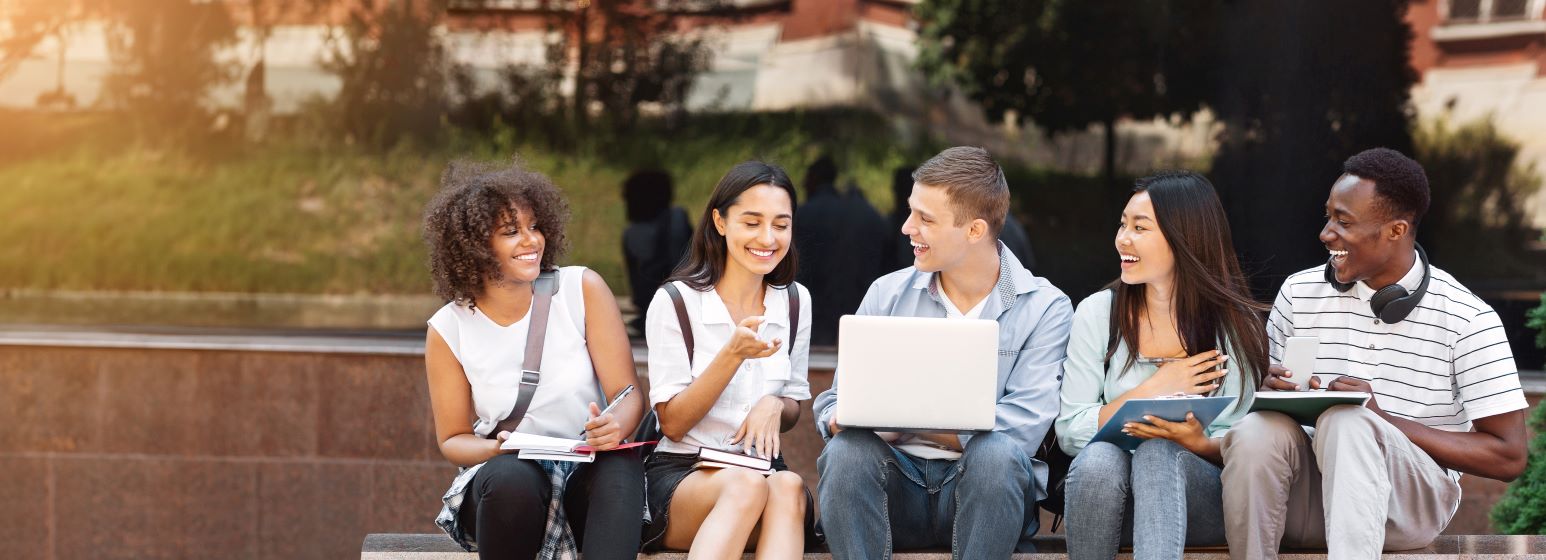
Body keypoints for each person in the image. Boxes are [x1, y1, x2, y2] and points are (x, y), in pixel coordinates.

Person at [1221, 148, 1528, 559]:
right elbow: (1265, 416)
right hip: (1307, 501)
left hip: (1407, 509)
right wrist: (1273, 391)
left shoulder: (1467, 317)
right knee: (1256, 431)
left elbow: (1508, 457)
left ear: (1396, 230)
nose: (1326, 233)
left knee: (1350, 422)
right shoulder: (1298, 293)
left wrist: (1382, 421)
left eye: (1343, 221)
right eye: (1328, 216)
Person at [813, 146, 1073, 559]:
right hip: (893, 488)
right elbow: (835, 399)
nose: (905, 228)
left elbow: (1022, 430)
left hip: (983, 496)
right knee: (846, 452)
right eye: (911, 211)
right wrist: (836, 417)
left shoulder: (1044, 307)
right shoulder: (886, 293)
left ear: (974, 230)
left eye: (925, 219)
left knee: (997, 456)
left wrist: (909, 425)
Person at [421, 160, 647, 559]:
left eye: (535, 226)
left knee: (621, 464)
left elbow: (628, 393)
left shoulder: (581, 289)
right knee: (512, 479)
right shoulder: (447, 328)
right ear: (473, 246)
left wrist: (614, 426)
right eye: (511, 232)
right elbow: (453, 439)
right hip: (507, 482)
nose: (531, 241)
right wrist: (496, 449)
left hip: (584, 471)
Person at [1055, 171, 1268, 559]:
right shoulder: (1097, 314)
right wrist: (1154, 388)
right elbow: (1070, 431)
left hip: (1201, 499)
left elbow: (1248, 446)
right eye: (1123, 225)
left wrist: (1194, 442)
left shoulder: (1233, 326)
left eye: (1140, 227)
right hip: (1108, 501)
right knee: (1099, 459)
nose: (1123, 239)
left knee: (1157, 452)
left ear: (1184, 237)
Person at [641, 161, 815, 559]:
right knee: (746, 485)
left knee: (787, 485)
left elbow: (793, 406)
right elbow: (673, 421)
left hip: (761, 470)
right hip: (684, 474)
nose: (767, 238)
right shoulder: (676, 302)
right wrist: (733, 354)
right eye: (751, 222)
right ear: (720, 222)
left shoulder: (794, 301)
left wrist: (775, 404)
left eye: (781, 225)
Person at [793, 155, 891, 346]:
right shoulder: (860, 214)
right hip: (851, 300)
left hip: (815, 302)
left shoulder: (805, 213)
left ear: (813, 179)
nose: (804, 183)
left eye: (807, 178)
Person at [622, 169, 692, 335]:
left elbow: (679, 269)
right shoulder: (634, 232)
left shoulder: (673, 220)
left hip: (665, 306)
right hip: (662, 307)